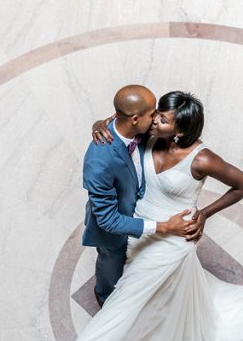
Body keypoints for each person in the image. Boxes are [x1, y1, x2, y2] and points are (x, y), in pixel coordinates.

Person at [49, 91, 243, 341]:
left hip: (176, 235)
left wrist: (205, 213)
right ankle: (168, 320)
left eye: (163, 118)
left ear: (180, 131)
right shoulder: (149, 134)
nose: (155, 120)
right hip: (143, 224)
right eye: (156, 113)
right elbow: (124, 120)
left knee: (128, 295)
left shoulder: (202, 159)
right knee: (159, 288)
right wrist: (99, 124)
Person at [80, 84, 198, 310]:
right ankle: (108, 303)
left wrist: (99, 122)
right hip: (115, 228)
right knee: (111, 267)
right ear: (135, 119)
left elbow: (121, 114)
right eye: (152, 114)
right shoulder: (99, 162)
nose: (155, 119)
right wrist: (163, 227)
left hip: (143, 208)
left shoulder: (138, 130)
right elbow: (108, 220)